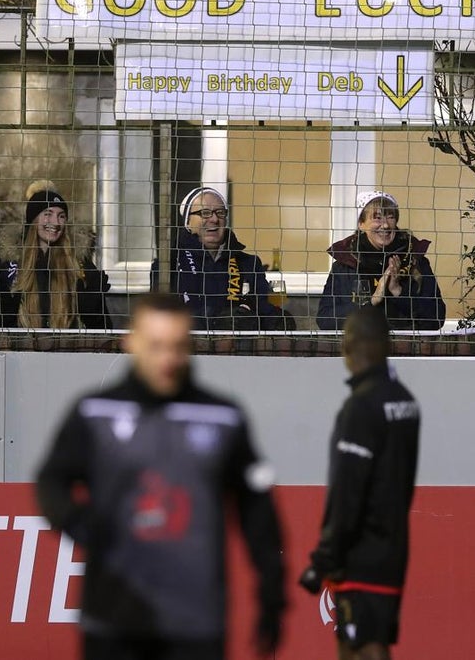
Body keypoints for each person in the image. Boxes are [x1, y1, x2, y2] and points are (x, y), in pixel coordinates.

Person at [35, 292, 286, 660]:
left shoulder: (222, 417)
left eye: (177, 347)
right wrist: (80, 524)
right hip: (113, 618)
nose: (167, 359)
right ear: (131, 341)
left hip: (195, 623)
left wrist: (272, 591)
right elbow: (52, 480)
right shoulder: (95, 412)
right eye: (155, 346)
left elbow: (257, 509)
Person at [298, 307, 421, 660]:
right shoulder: (405, 401)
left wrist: (324, 558)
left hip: (359, 554)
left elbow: (347, 491)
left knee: (363, 648)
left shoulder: (360, 408)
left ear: (348, 346)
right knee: (362, 642)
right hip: (393, 548)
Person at [151, 187, 296, 331]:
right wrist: (218, 322)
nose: (214, 219)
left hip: (239, 344)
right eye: (205, 213)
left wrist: (277, 320)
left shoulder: (248, 263)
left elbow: (263, 308)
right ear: (187, 222)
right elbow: (163, 317)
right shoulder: (168, 263)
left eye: (220, 213)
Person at [0, 180, 110, 329]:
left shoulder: (80, 265)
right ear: (33, 219)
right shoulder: (8, 265)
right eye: (48, 214)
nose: (55, 222)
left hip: (67, 343)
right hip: (21, 344)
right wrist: (5, 315)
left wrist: (93, 311)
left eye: (61, 216)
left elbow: (104, 331)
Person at [316, 191, 446, 331]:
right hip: (362, 342)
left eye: (390, 217)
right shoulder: (346, 264)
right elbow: (325, 320)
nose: (385, 225)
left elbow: (436, 318)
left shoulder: (416, 261)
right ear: (361, 224)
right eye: (377, 218)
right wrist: (372, 300)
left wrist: (399, 292)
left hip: (406, 343)